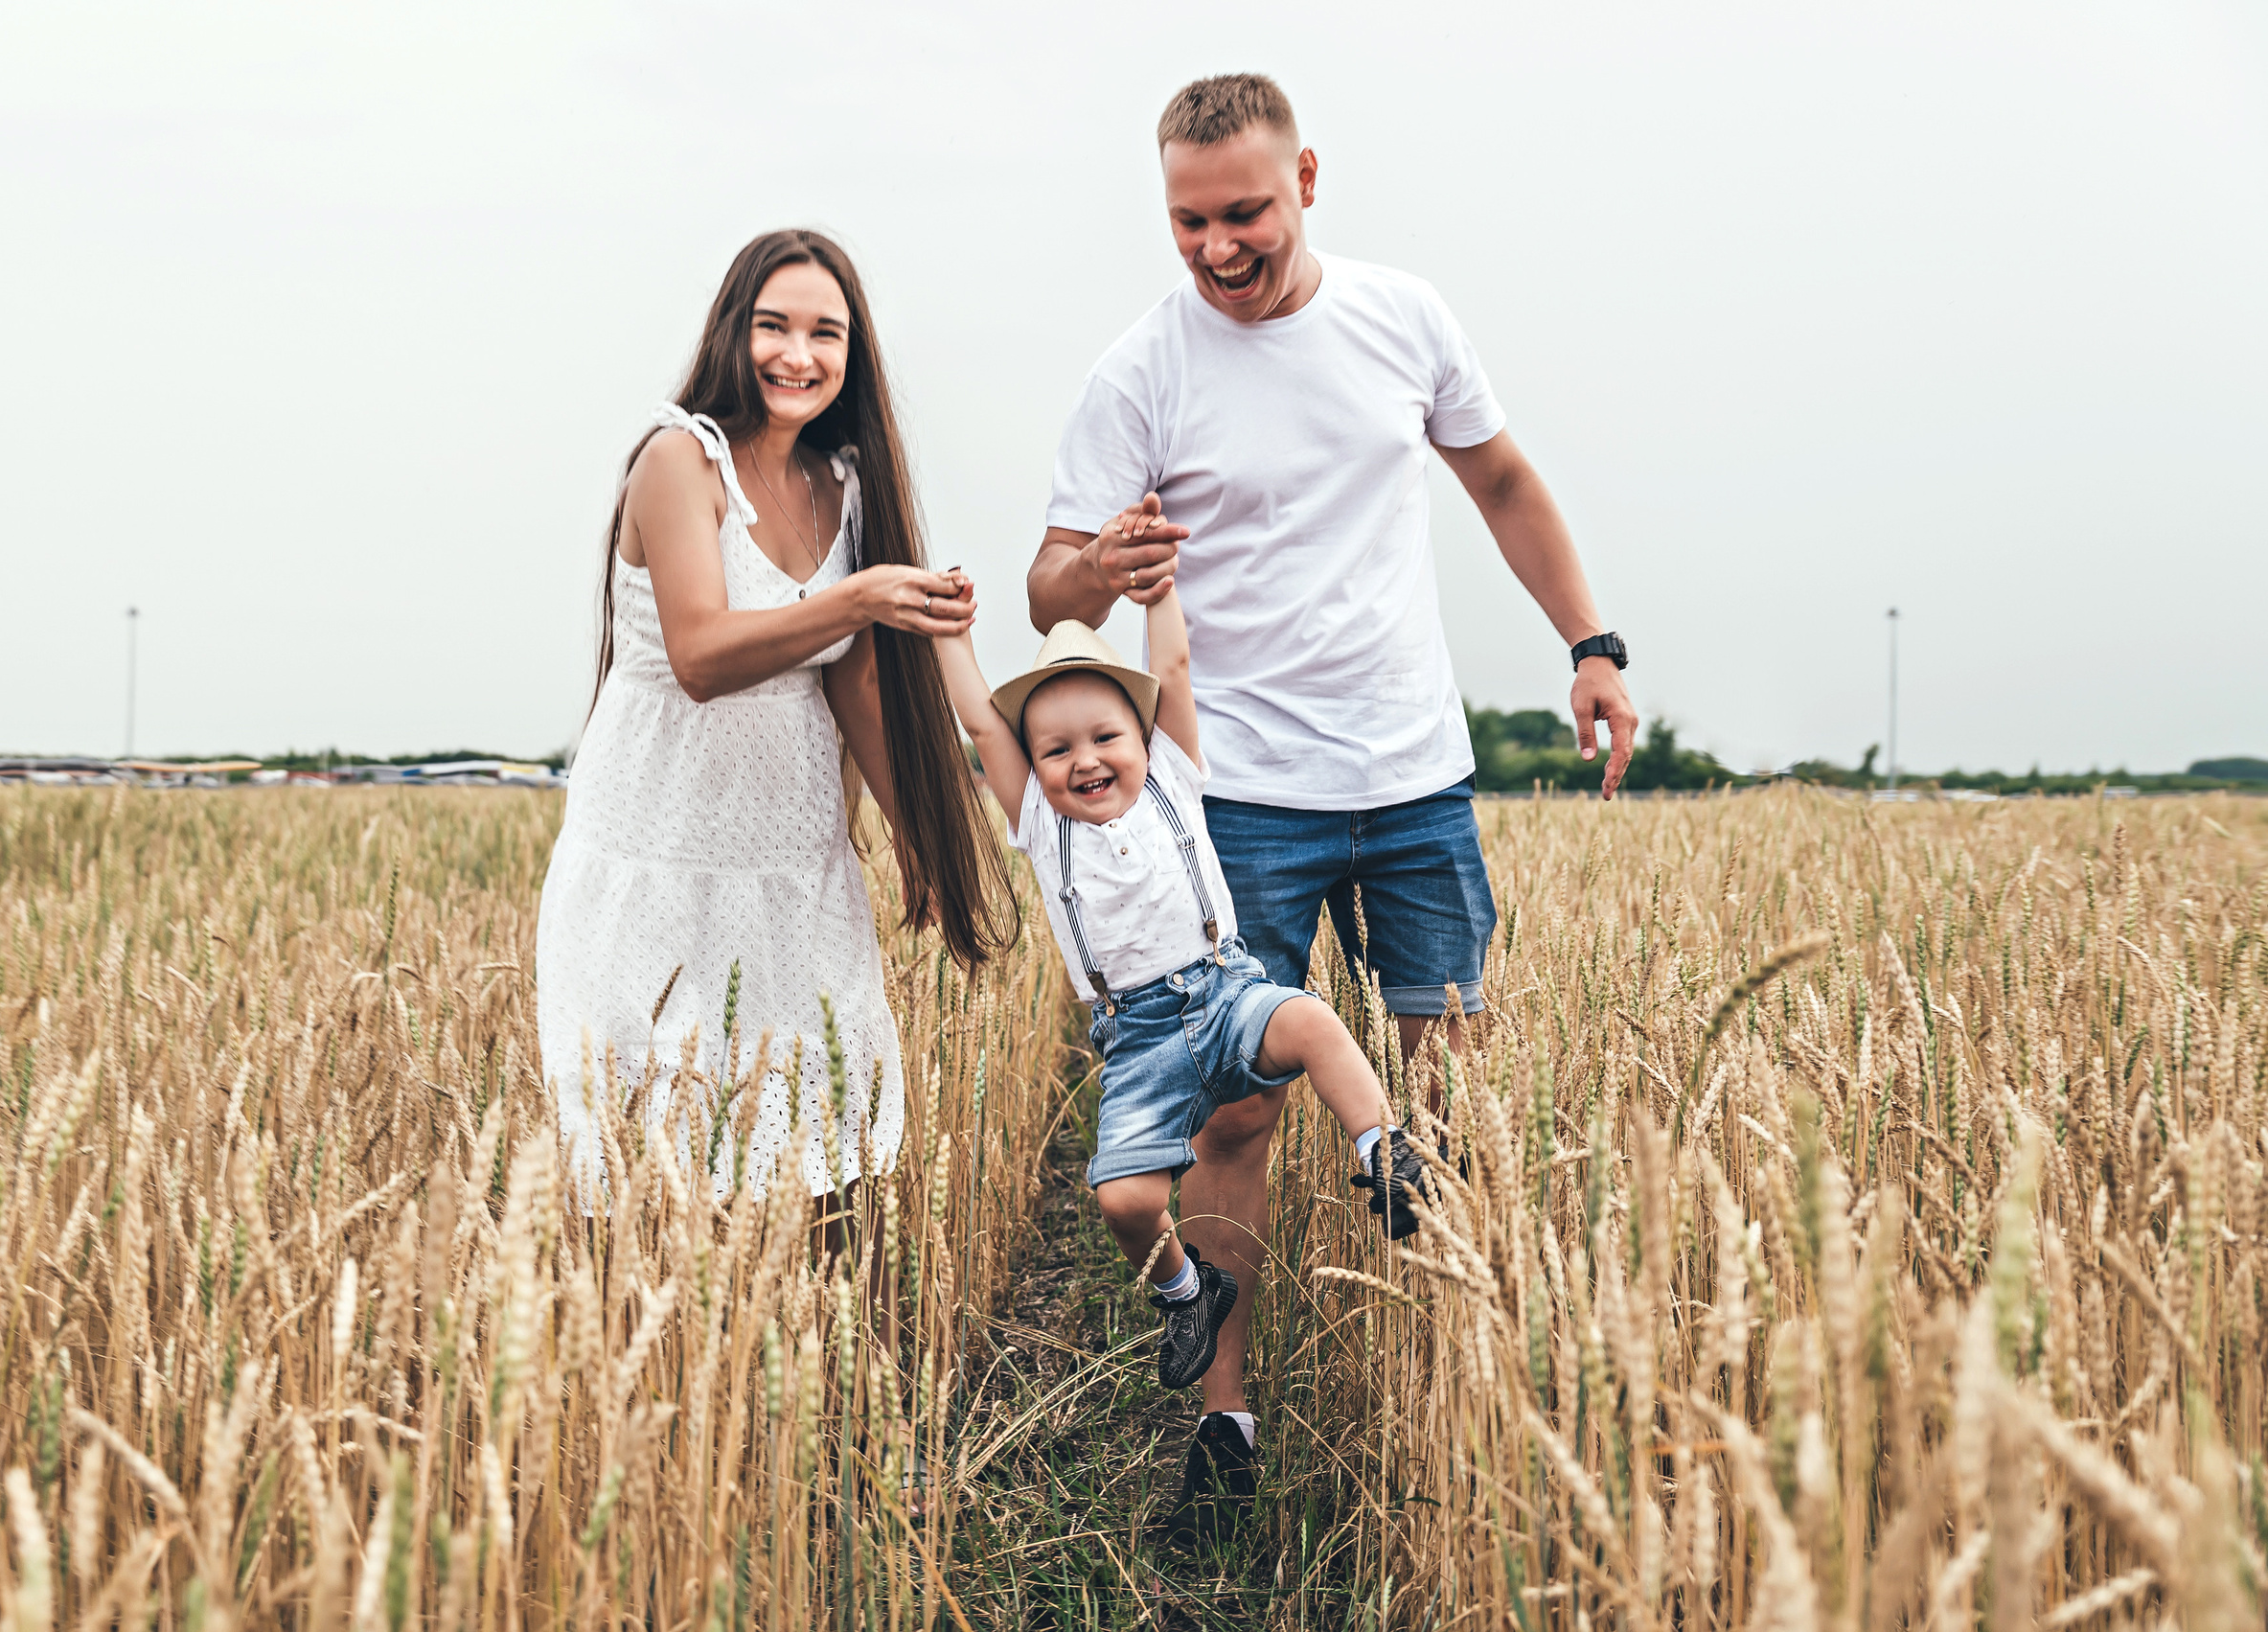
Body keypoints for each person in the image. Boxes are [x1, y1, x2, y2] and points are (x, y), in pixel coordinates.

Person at [1026, 73, 1638, 1532]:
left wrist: (1591, 643)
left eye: (1245, 212)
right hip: (1241, 798)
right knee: (1236, 1111)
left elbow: (1500, 479)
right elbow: (1051, 582)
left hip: (1417, 775)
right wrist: (1105, 560)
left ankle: (1458, 1396)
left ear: (1307, 176)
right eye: (1188, 222)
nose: (1219, 246)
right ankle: (1225, 1431)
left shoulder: (1402, 316)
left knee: (1446, 1094)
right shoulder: (1140, 372)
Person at [932, 542, 1431, 1546]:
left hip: (1224, 984)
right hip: (1142, 1039)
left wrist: (1159, 599)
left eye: (1105, 735)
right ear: (1032, 769)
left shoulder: (1177, 778)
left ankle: (1383, 1148)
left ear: (1143, 734)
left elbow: (1178, 675)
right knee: (1125, 1196)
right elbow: (981, 717)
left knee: (1312, 1023)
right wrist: (953, 637)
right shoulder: (1037, 820)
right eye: (1058, 747)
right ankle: (1185, 1291)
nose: (1085, 759)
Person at [538, 229, 1017, 1206]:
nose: (799, 355)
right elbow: (701, 656)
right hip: (660, 847)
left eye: (825, 334)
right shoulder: (680, 461)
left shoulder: (839, 483)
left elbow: (855, 683)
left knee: (811, 1134)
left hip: (789, 854)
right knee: (648, 1152)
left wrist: (911, 835)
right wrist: (859, 599)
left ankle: (797, 1349)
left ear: (853, 356)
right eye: (774, 326)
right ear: (732, 332)